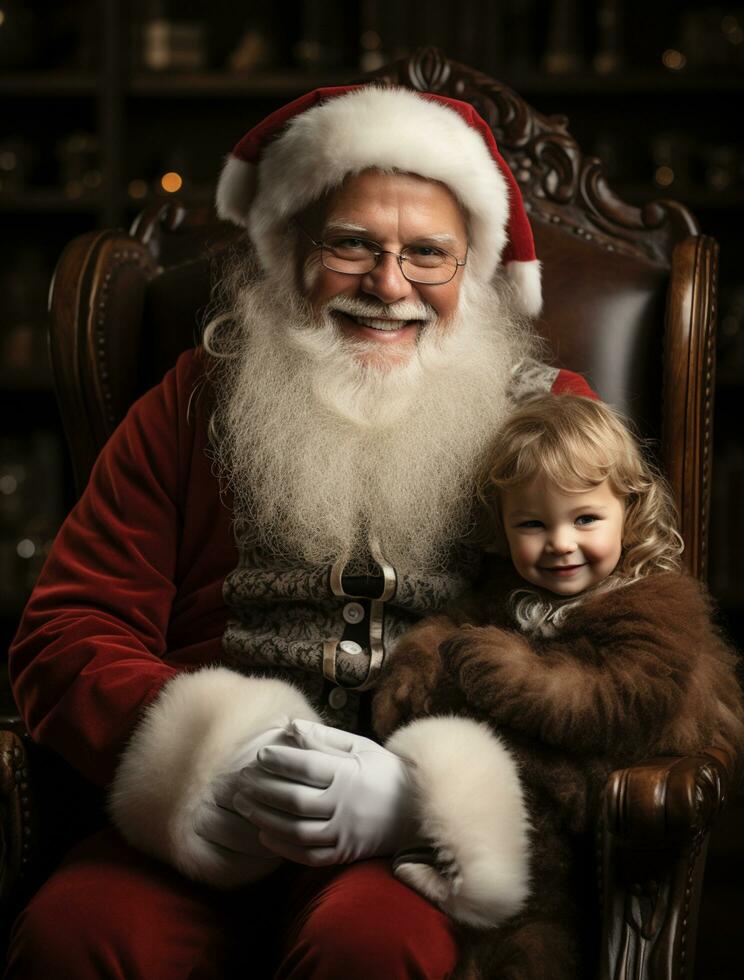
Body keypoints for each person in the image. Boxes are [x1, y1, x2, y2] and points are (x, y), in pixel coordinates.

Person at [7, 86, 597, 979]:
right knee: (75, 936)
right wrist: (212, 755)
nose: (389, 286)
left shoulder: (549, 419)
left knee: (374, 948)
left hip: (409, 846)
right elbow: (66, 629)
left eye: (428, 255)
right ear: (290, 252)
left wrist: (426, 801)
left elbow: (615, 664)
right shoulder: (195, 399)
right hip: (205, 819)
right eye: (353, 243)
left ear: (471, 273)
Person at [372, 394, 744, 978]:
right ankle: (460, 880)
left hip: (611, 775)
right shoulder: (507, 590)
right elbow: (450, 629)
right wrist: (416, 668)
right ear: (502, 529)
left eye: (585, 519)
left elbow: (613, 704)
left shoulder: (656, 603)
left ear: (630, 510)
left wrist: (507, 671)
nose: (561, 543)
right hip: (539, 766)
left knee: (529, 856)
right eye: (532, 524)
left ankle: (506, 929)